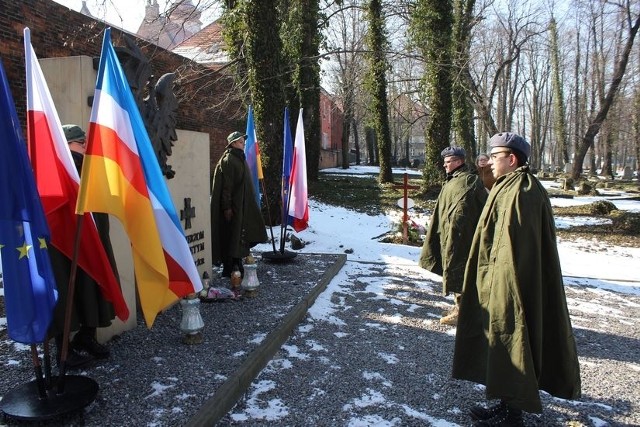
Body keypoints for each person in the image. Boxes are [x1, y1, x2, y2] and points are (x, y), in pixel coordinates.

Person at [452, 132, 581, 426]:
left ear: (511, 160)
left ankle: (513, 414)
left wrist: (506, 285)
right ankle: (507, 402)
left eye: (495, 157)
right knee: (501, 343)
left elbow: (519, 249)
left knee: (514, 340)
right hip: (500, 280)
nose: (490, 162)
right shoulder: (508, 185)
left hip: (515, 286)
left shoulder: (523, 191)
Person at [48, 124, 118, 369]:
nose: (84, 147)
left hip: (94, 239)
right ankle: (63, 351)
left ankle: (86, 337)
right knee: (67, 293)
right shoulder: (59, 169)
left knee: (94, 289)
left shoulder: (89, 167)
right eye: (79, 143)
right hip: (67, 246)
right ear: (66, 145)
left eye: (84, 142)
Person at [419, 146, 487, 326]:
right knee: (455, 268)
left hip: (461, 237)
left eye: (448, 162)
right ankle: (459, 307)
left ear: (459, 162)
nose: (444, 165)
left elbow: (465, 213)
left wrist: (456, 236)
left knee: (460, 270)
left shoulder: (467, 182)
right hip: (451, 234)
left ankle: (463, 312)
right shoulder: (456, 180)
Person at [210, 131, 268, 278]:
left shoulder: (239, 158)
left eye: (243, 141)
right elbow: (227, 187)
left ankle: (237, 262)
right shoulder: (229, 159)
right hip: (234, 206)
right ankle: (230, 266)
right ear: (233, 143)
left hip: (243, 204)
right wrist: (227, 207)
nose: (243, 143)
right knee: (232, 234)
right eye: (240, 141)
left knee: (241, 234)